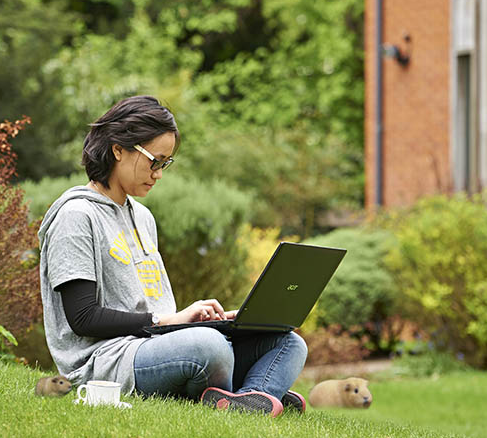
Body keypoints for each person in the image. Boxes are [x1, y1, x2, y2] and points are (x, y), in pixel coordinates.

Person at [38, 95, 308, 417]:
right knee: (209, 347)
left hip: (154, 343)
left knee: (288, 342)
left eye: (165, 163)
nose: (159, 174)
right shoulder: (76, 216)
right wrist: (167, 322)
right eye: (154, 161)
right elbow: (83, 318)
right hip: (106, 361)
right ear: (118, 149)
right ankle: (255, 390)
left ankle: (249, 398)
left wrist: (207, 322)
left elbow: (154, 307)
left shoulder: (142, 217)